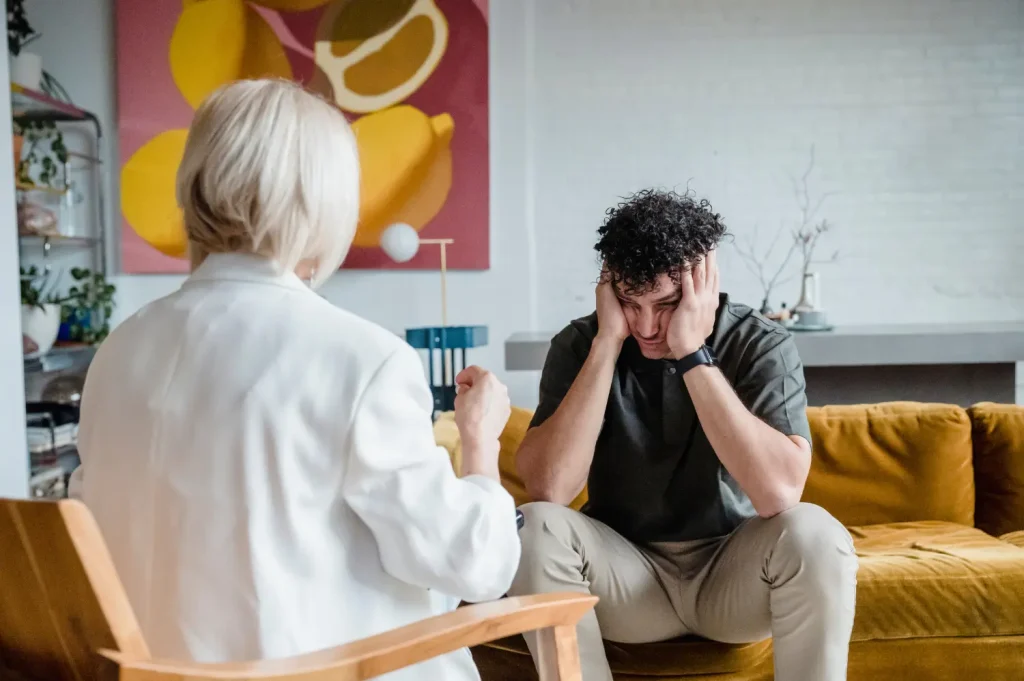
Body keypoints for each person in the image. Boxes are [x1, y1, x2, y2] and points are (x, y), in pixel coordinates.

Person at [70, 79, 520, 681]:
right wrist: (481, 443)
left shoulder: (118, 352)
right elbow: (475, 567)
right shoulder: (365, 359)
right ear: (325, 202)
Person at [508, 189, 857, 681]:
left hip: (731, 577)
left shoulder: (759, 342)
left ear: (704, 281)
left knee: (817, 534)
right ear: (608, 287)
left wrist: (693, 353)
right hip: (626, 581)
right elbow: (551, 490)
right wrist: (608, 342)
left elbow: (780, 492)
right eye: (630, 303)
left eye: (667, 304)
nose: (648, 326)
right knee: (532, 527)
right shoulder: (582, 344)